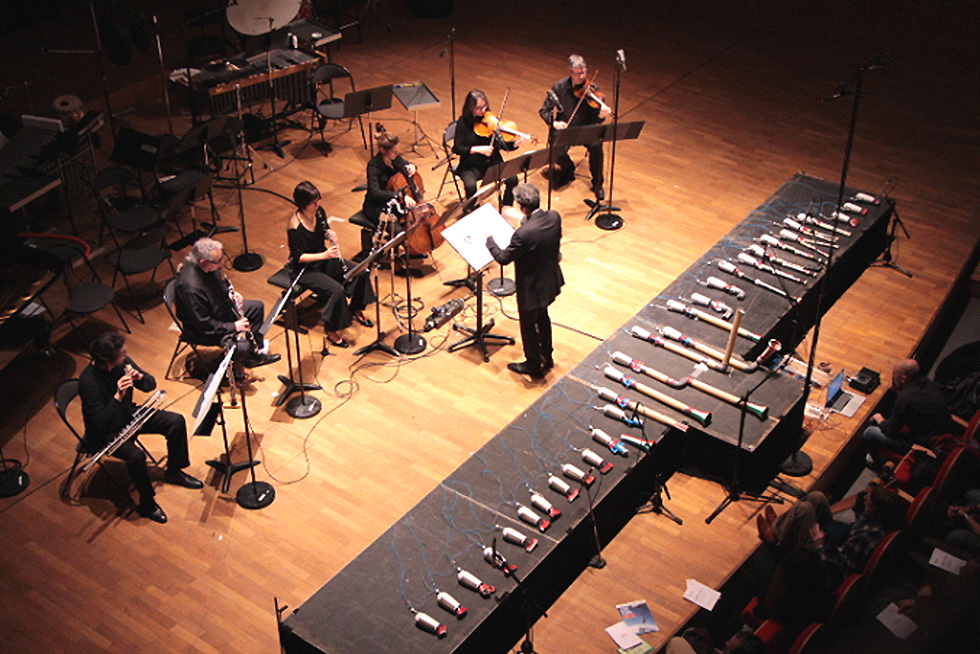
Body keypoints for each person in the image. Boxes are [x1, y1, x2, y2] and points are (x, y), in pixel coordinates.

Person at [78, 332, 203, 524]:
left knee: (175, 421)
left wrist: (140, 377)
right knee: (136, 456)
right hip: (104, 432)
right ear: (108, 361)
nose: (126, 356)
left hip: (127, 414)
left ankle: (174, 471)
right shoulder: (88, 383)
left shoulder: (122, 362)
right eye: (122, 354)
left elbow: (150, 385)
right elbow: (101, 422)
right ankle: (147, 503)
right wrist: (118, 396)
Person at [486, 183, 564, 379]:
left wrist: (490, 241)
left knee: (528, 327)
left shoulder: (523, 234)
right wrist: (521, 218)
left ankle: (533, 365)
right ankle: (547, 355)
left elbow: (503, 258)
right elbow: (537, 231)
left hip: (531, 288)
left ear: (521, 205)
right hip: (549, 281)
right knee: (543, 318)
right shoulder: (554, 217)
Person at [288, 181, 376, 348]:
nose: (317, 204)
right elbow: (297, 257)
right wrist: (323, 255)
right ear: (303, 204)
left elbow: (324, 229)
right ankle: (332, 330)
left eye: (318, 199)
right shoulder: (295, 226)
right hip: (305, 269)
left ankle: (356, 307)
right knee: (336, 289)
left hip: (323, 258)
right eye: (313, 202)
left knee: (360, 272)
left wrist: (330, 234)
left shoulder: (318, 212)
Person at [174, 238, 280, 368]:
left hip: (218, 310)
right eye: (218, 261)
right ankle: (221, 369)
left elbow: (219, 282)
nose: (221, 263)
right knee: (241, 347)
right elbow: (202, 322)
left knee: (256, 307)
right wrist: (234, 327)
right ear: (203, 261)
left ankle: (253, 353)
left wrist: (230, 293)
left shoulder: (207, 268)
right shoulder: (191, 288)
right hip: (204, 330)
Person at [538, 54, 612, 200]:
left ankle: (597, 184)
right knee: (555, 150)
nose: (582, 76)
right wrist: (554, 123)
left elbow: (595, 119)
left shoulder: (592, 89)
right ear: (570, 72)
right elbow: (544, 111)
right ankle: (569, 167)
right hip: (565, 130)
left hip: (585, 129)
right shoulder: (559, 87)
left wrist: (602, 116)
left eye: (583, 72)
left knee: (597, 146)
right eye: (578, 73)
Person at [862, 358, 951, 468]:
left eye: (894, 373)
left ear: (903, 379)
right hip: (942, 430)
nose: (892, 376)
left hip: (922, 443)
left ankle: (878, 461)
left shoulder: (905, 399)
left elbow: (890, 430)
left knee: (870, 432)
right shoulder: (928, 384)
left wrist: (878, 417)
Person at [453, 89, 523, 205]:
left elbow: (502, 145)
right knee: (470, 186)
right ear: (470, 108)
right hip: (471, 165)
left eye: (485, 107)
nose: (483, 111)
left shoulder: (491, 120)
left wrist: (515, 144)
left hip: (491, 163)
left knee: (513, 179)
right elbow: (457, 148)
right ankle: (472, 209)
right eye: (479, 108)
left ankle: (506, 206)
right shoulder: (463, 123)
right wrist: (478, 149)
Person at [362, 131, 420, 227]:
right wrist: (400, 196)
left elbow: (407, 166)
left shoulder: (395, 158)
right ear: (383, 150)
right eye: (394, 151)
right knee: (398, 230)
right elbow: (375, 193)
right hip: (377, 206)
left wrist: (413, 166)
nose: (398, 152)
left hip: (396, 203)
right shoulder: (373, 166)